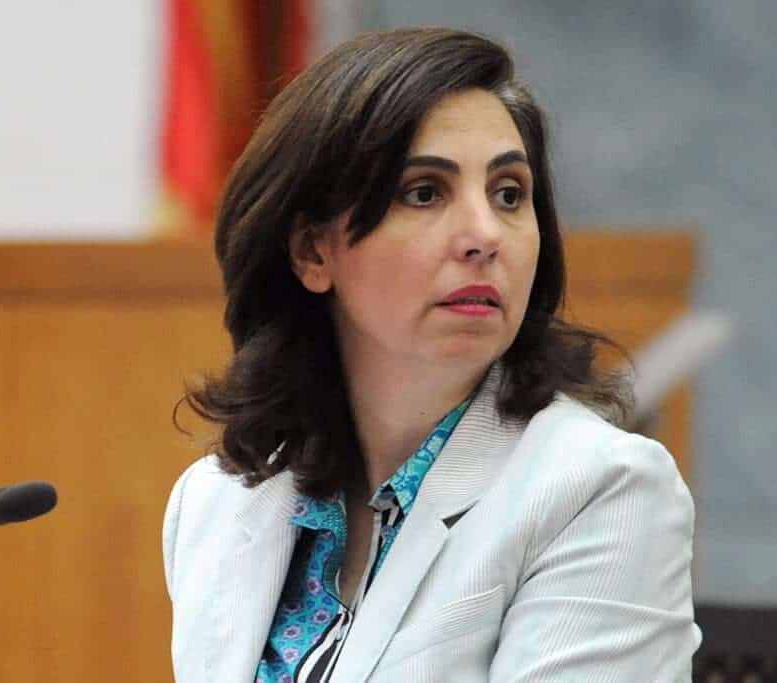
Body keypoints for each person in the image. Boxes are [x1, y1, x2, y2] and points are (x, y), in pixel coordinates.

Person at [163, 27, 701, 682]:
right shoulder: (216, 504)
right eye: (424, 192)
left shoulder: (600, 488)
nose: (484, 234)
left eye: (509, 194)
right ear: (311, 251)